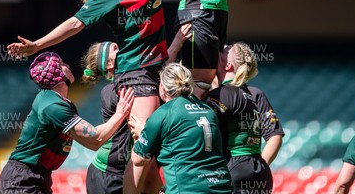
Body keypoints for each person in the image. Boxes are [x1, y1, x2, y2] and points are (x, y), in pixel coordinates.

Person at [7, 0, 168, 193]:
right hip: (136, 75)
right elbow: (74, 25)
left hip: (152, 71)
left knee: (152, 156)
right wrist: (38, 45)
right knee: (142, 153)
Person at [0, 52, 134, 194]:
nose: (67, 65)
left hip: (35, 177)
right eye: (62, 64)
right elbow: (95, 139)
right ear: (57, 76)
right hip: (22, 180)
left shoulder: (53, 100)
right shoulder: (53, 106)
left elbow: (93, 137)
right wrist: (121, 113)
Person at [81, 24, 192, 194]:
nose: (125, 48)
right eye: (116, 48)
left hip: (128, 171)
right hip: (108, 174)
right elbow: (154, 78)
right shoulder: (113, 90)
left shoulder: (134, 81)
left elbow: (155, 76)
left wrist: (177, 42)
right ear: (110, 63)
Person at [130, 63, 232, 194]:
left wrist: (142, 133)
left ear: (162, 88)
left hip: (187, 190)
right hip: (222, 188)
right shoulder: (208, 111)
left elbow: (139, 159)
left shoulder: (162, 114)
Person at [204, 43, 284, 194]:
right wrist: (260, 164)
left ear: (228, 65)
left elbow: (200, 130)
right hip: (259, 171)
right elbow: (275, 136)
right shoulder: (256, 94)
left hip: (231, 166)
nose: (219, 53)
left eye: (224, 52)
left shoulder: (219, 95)